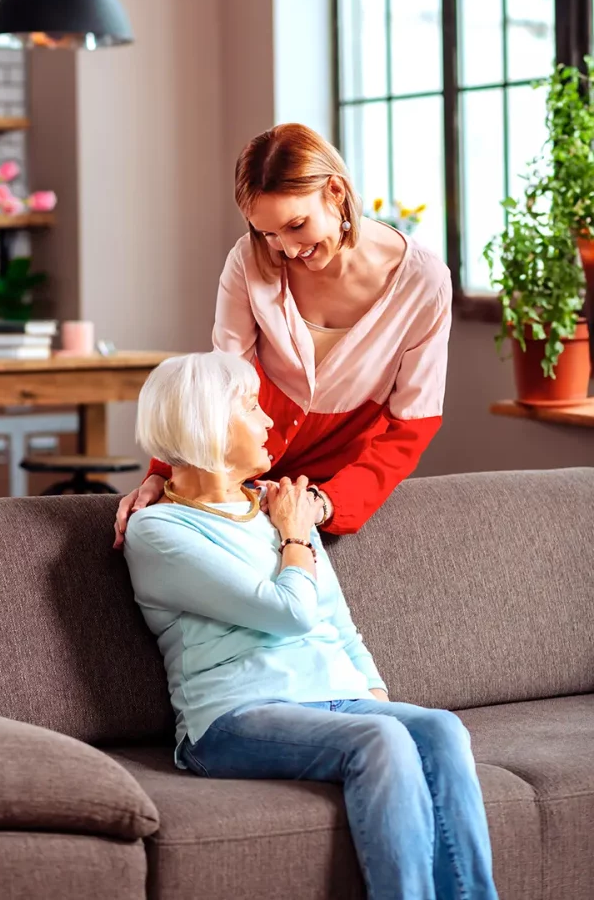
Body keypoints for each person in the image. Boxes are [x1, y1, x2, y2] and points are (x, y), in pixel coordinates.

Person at [124, 352, 497, 900]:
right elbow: (289, 609)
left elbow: (338, 623)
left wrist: (371, 693)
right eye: (252, 407)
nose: (269, 421)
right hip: (232, 718)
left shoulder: (279, 507)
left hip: (332, 700)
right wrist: (296, 537)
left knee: (439, 728)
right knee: (380, 738)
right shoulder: (159, 531)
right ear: (208, 423)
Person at [115, 123, 451, 547]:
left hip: (329, 494)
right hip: (237, 480)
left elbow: (412, 423)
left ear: (335, 192)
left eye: (296, 226)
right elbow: (218, 386)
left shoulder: (423, 282)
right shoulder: (249, 261)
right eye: (268, 233)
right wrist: (164, 474)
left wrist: (326, 503)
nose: (287, 250)